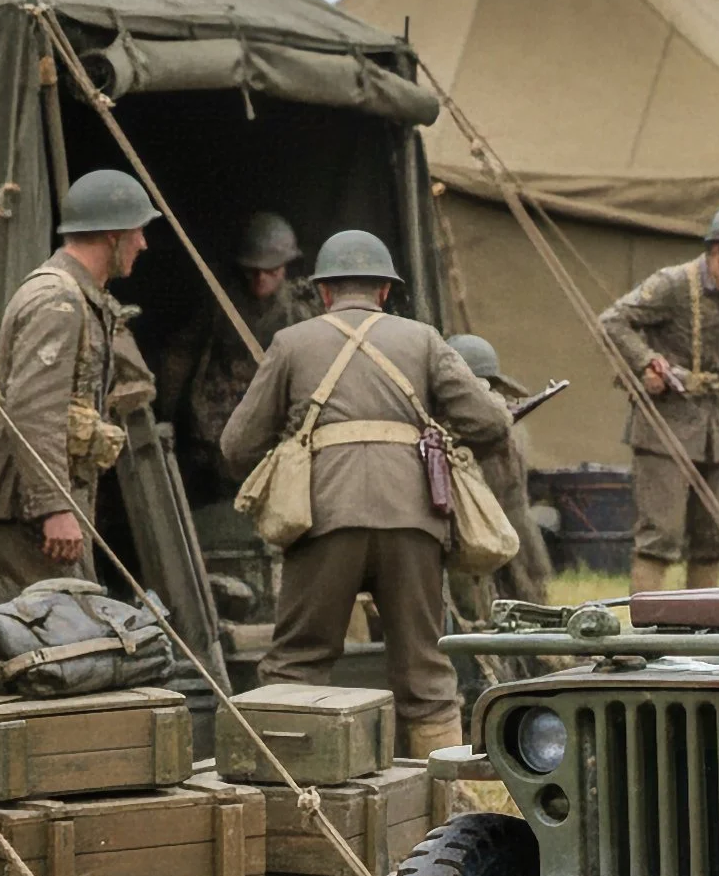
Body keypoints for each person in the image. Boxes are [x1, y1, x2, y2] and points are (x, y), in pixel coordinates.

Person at [220, 230, 511, 757]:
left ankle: (291, 794)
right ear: (383, 291)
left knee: (297, 666)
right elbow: (491, 422)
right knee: (425, 673)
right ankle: (443, 804)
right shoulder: (422, 340)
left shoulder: (292, 343)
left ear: (325, 292)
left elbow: (236, 445)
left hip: (323, 519)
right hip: (415, 520)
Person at [0, 168, 159, 595]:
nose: (143, 243)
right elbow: (34, 410)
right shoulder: (57, 301)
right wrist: (53, 507)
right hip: (23, 505)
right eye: (137, 231)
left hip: (34, 501)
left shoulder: (79, 296)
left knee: (75, 627)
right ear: (113, 234)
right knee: (66, 631)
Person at [598, 204, 719, 594]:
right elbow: (613, 320)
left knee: (711, 538)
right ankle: (647, 631)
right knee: (660, 536)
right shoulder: (674, 283)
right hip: (664, 429)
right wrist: (646, 363)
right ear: (718, 247)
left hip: (712, 432)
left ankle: (704, 629)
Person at [158, 211, 321, 493]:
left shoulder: (301, 308)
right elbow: (180, 355)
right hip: (218, 427)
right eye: (252, 271)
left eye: (270, 271)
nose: (260, 280)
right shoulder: (220, 303)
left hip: (279, 422)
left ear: (286, 267)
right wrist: (166, 412)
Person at [445, 334, 552, 611]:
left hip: (503, 524)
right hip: (491, 528)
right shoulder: (494, 421)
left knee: (517, 593)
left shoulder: (497, 425)